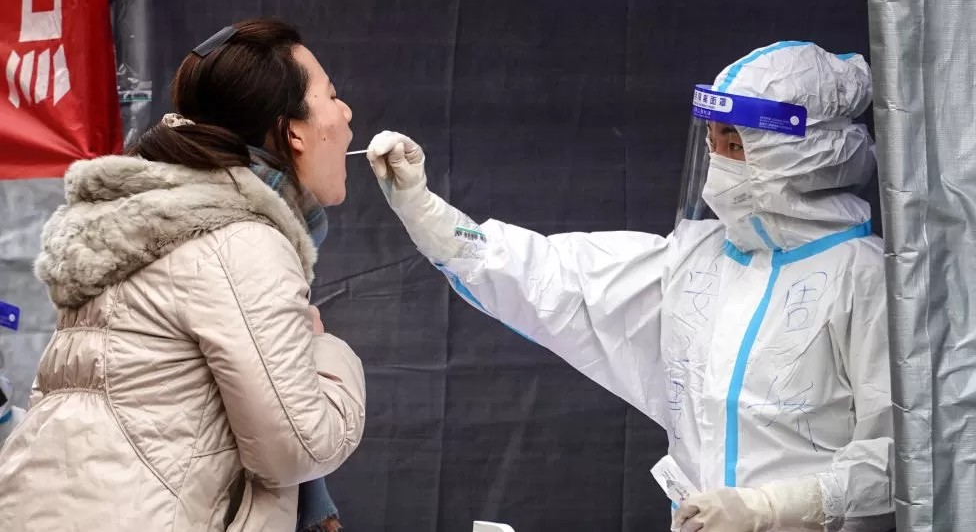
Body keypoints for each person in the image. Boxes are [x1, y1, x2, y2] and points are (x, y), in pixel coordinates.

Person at [366, 41, 894, 531]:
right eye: (711, 139)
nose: (716, 161)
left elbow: (901, 457)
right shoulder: (697, 260)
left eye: (735, 143)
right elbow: (554, 277)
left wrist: (770, 508)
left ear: (803, 153)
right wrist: (425, 211)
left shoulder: (864, 278)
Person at [0, 19, 366, 531]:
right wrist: (326, 352)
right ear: (293, 132)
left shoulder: (148, 222)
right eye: (332, 96)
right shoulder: (240, 241)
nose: (347, 113)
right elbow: (297, 445)